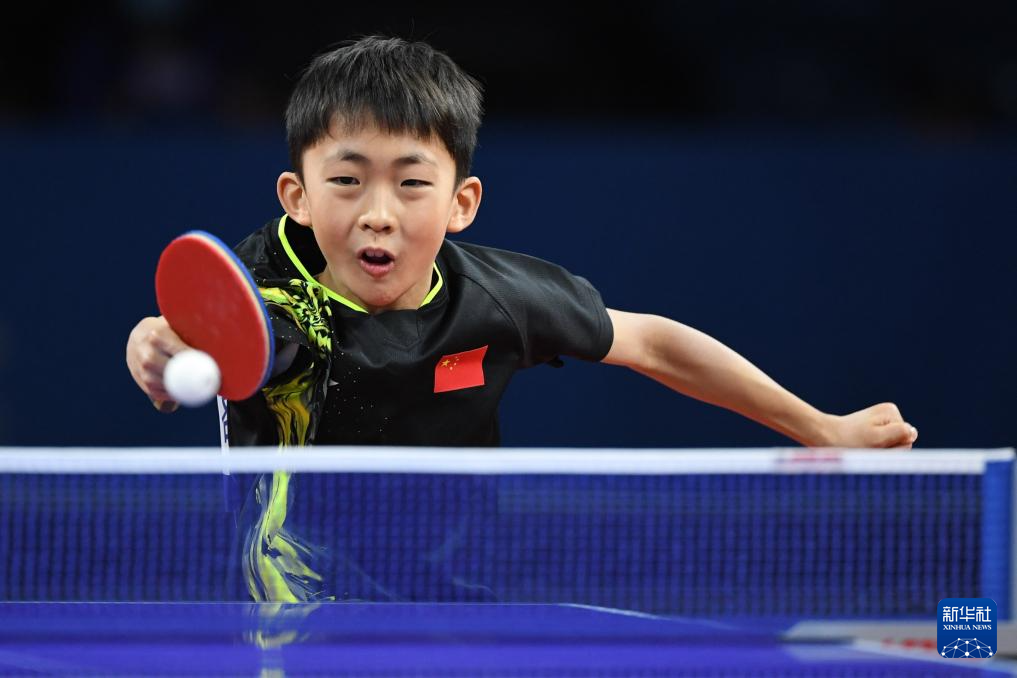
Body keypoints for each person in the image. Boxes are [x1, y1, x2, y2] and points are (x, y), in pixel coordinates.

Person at [125, 36, 917, 601]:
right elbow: (194, 337)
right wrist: (153, 348)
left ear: (461, 202)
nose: (377, 213)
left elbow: (651, 342)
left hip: (451, 610)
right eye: (346, 180)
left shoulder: (494, 299)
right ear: (296, 196)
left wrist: (821, 427)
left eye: (411, 182)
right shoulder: (265, 281)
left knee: (970, 634)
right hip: (280, 616)